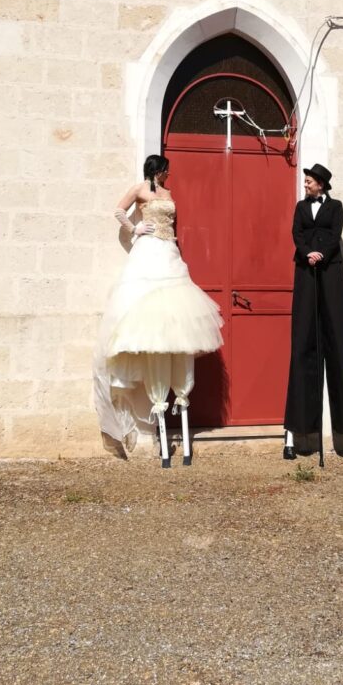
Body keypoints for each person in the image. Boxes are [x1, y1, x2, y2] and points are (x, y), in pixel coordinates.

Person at [93, 154, 223, 467]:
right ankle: (152, 387)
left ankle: (176, 391)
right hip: (149, 250)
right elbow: (117, 210)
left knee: (174, 307)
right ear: (159, 170)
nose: (168, 175)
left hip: (169, 250)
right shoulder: (140, 189)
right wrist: (135, 229)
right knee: (146, 305)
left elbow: (169, 218)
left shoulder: (167, 195)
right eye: (166, 170)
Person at [283, 163, 343, 462]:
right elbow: (297, 233)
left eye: (310, 180)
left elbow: (335, 232)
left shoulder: (336, 207)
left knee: (336, 350)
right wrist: (307, 254)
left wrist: (322, 254)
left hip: (329, 273)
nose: (305, 184)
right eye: (305, 180)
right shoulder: (301, 207)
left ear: (322, 185)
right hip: (306, 272)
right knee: (302, 346)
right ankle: (295, 433)